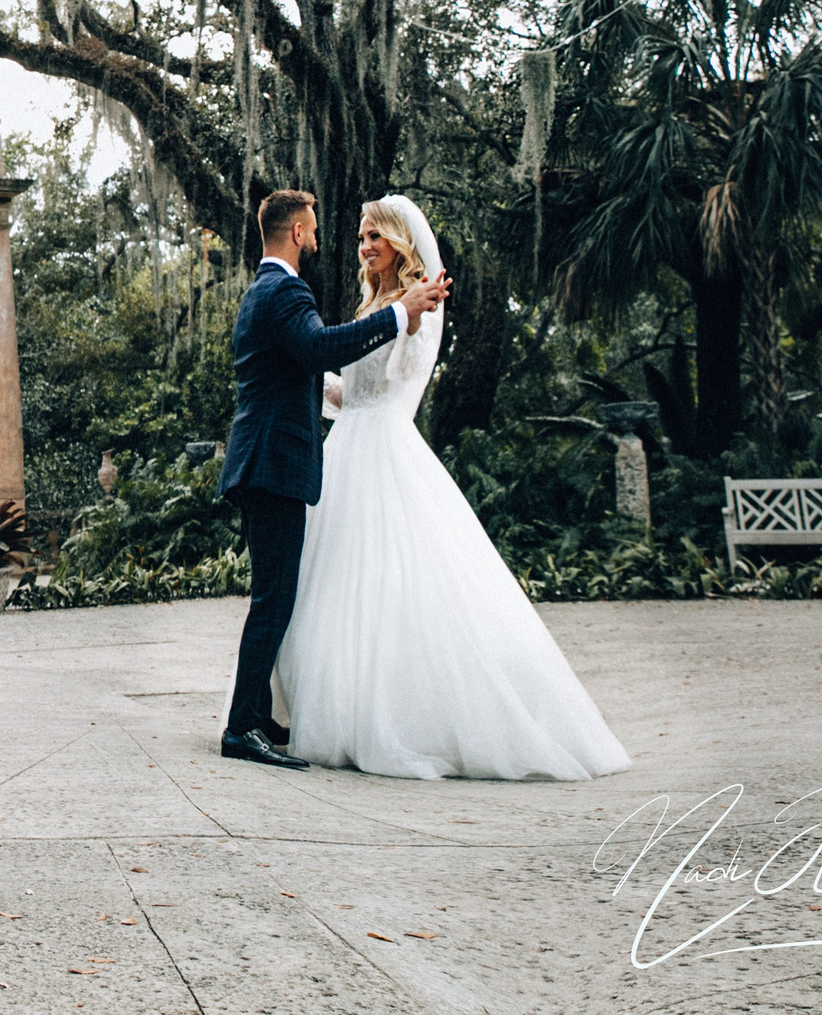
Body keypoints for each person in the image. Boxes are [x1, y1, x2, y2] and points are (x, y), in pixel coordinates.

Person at [270, 195, 631, 781]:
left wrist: (415, 317)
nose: (364, 248)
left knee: (390, 584)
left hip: (382, 452)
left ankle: (399, 719)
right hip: (347, 452)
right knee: (331, 583)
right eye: (361, 238)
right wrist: (303, 377)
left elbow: (395, 382)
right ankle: (326, 709)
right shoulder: (374, 303)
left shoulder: (414, 309)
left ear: (400, 245)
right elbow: (349, 392)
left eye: (375, 238)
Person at [216, 188, 449, 769]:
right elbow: (320, 346)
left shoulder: (261, 291)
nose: (323, 238)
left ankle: (260, 717)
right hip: (273, 463)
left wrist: (401, 317)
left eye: (374, 235)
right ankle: (242, 728)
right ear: (297, 232)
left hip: (268, 458)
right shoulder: (285, 289)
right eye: (314, 228)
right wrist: (400, 312)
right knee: (274, 597)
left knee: (279, 593)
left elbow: (312, 370)